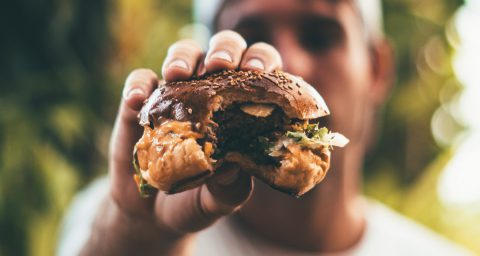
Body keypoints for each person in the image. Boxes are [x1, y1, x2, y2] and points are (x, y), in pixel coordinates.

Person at [57, 0, 474, 255]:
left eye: (319, 36)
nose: (287, 61)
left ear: (377, 69)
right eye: (249, 33)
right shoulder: (112, 222)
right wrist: (136, 240)